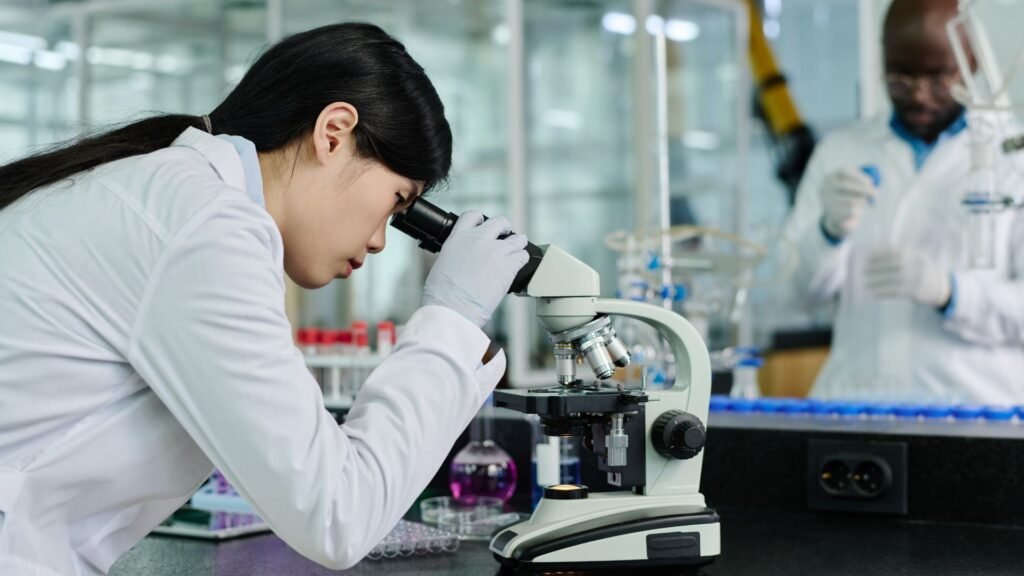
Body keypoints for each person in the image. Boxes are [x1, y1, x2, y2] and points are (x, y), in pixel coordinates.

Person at [0, 23, 529, 575]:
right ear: (334, 132)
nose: (379, 241)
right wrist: (454, 316)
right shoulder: (205, 224)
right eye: (397, 202)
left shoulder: (171, 193)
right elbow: (336, 513)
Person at [784, 0, 1024, 404]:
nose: (919, 95)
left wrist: (953, 292)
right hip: (855, 404)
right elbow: (793, 294)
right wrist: (827, 233)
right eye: (900, 77)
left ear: (972, 63)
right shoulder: (841, 151)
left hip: (976, 409)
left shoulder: (1013, 156)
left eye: (938, 78)